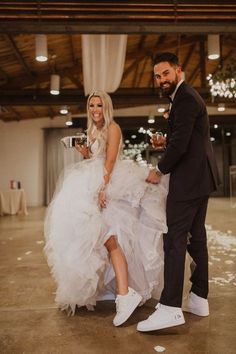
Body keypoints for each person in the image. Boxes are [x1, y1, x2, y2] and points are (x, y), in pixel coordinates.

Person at [44, 91, 169, 326]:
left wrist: (103, 188)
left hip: (111, 183)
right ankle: (118, 291)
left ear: (106, 106)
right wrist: (86, 153)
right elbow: (96, 158)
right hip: (92, 180)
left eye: (99, 105)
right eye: (91, 105)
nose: (95, 109)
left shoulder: (113, 128)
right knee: (100, 237)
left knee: (110, 237)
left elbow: (109, 161)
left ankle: (124, 294)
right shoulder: (92, 130)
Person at [137, 52, 221, 332]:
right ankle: (199, 297)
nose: (161, 79)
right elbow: (186, 139)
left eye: (165, 74)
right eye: (157, 76)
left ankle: (171, 307)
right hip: (200, 179)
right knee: (196, 238)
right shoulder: (185, 98)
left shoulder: (184, 98)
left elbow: (182, 145)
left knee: (173, 239)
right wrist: (167, 143)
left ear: (178, 70)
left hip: (188, 182)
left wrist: (158, 169)